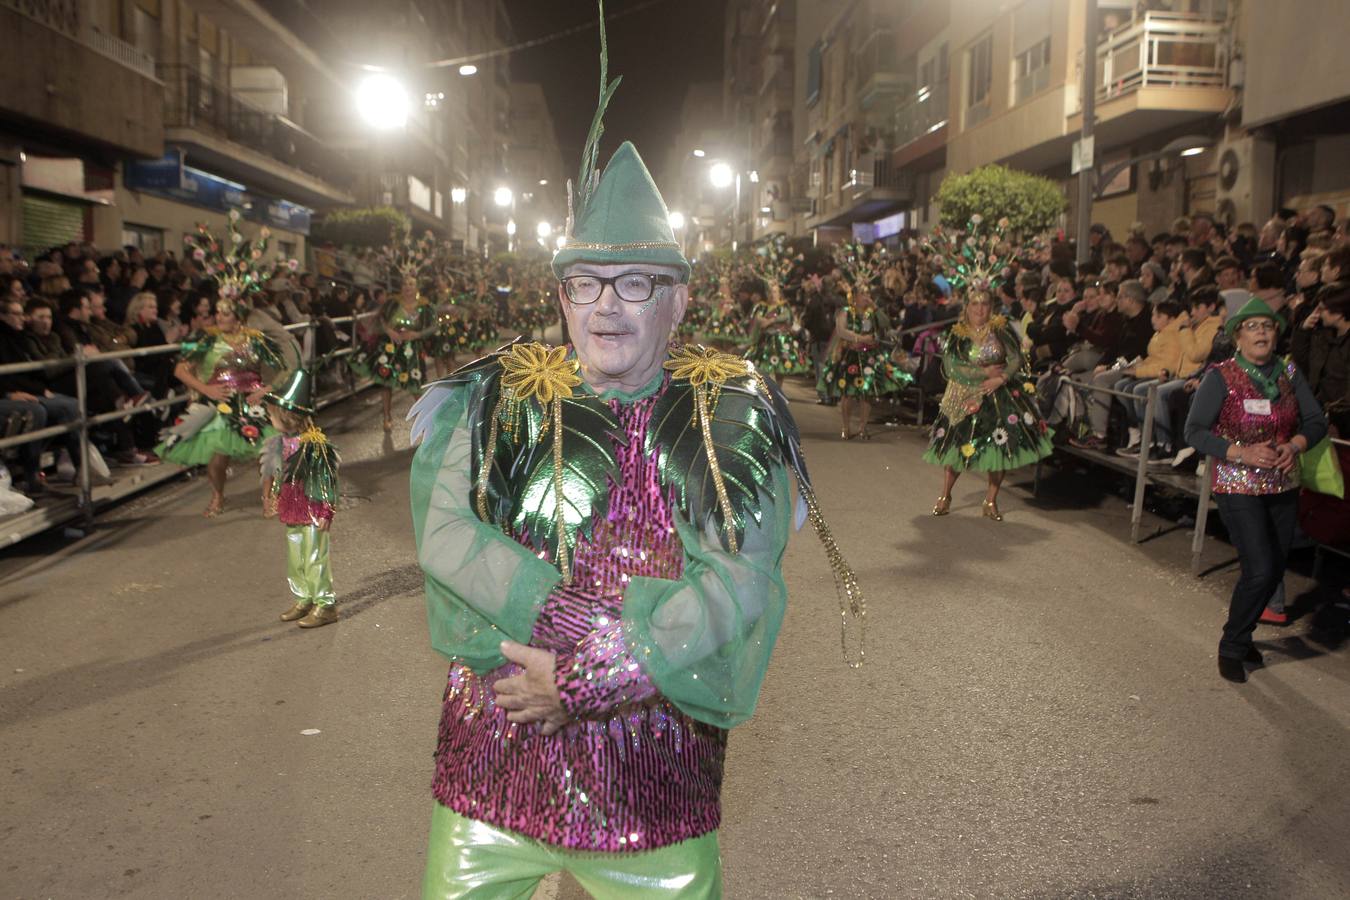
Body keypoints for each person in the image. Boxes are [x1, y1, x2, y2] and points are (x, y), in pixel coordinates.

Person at [410, 18, 862, 894]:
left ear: (678, 299)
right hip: (492, 763)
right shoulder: (496, 394)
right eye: (585, 283)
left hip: (646, 779)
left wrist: (583, 680)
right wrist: (573, 639)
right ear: (562, 293)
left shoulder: (727, 414)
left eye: (635, 283)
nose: (606, 306)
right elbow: (444, 534)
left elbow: (741, 582)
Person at [1183, 297, 1328, 683]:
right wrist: (1240, 452)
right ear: (1237, 336)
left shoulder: (1289, 373)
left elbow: (1315, 421)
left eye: (1268, 325)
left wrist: (1294, 444)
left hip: (1282, 481)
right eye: (1253, 326)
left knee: (1274, 566)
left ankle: (1243, 633)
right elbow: (1194, 431)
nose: (1262, 332)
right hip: (1237, 483)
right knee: (1261, 568)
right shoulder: (1221, 376)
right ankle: (1232, 644)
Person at [925, 288, 1053, 521]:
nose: (979, 309)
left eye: (984, 304)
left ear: (991, 308)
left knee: (999, 447)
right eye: (975, 304)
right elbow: (951, 366)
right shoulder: (958, 333)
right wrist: (982, 372)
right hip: (965, 394)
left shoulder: (1000, 329)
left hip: (999, 394)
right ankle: (945, 496)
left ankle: (991, 500)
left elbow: (1016, 358)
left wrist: (1000, 378)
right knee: (958, 447)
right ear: (967, 307)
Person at [155, 297, 287, 517]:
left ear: (239, 316)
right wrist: (207, 390)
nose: (219, 317)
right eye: (217, 312)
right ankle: (218, 495)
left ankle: (269, 497)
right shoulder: (205, 338)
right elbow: (179, 370)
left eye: (225, 313)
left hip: (252, 403)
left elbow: (283, 367)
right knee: (218, 456)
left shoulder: (255, 339)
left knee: (267, 449)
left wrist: (265, 390)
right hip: (221, 403)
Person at [260, 368, 341, 628]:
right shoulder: (276, 443)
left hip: (313, 507)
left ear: (287, 416)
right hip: (291, 507)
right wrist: (271, 498)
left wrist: (327, 509)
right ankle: (304, 597)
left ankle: (325, 604)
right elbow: (273, 473)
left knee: (315, 555)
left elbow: (327, 479)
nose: (268, 417)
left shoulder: (315, 444)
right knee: (295, 555)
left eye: (272, 414)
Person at [821, 246, 911, 440]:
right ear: (855, 295)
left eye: (867, 293)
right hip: (851, 354)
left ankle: (862, 427)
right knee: (848, 393)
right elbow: (841, 330)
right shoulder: (845, 311)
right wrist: (860, 338)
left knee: (867, 392)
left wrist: (876, 307)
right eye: (862, 294)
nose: (865, 297)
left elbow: (886, 324)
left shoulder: (872, 312)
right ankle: (845, 427)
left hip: (869, 355)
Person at [351, 274, 435, 431]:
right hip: (391, 346)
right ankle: (387, 417)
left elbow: (433, 327)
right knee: (386, 382)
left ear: (416, 287)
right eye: (404, 284)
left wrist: (417, 334)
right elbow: (380, 320)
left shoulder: (425, 306)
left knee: (415, 385)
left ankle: (425, 419)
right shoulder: (392, 303)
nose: (407, 287)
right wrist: (390, 331)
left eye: (411, 284)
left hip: (412, 349)